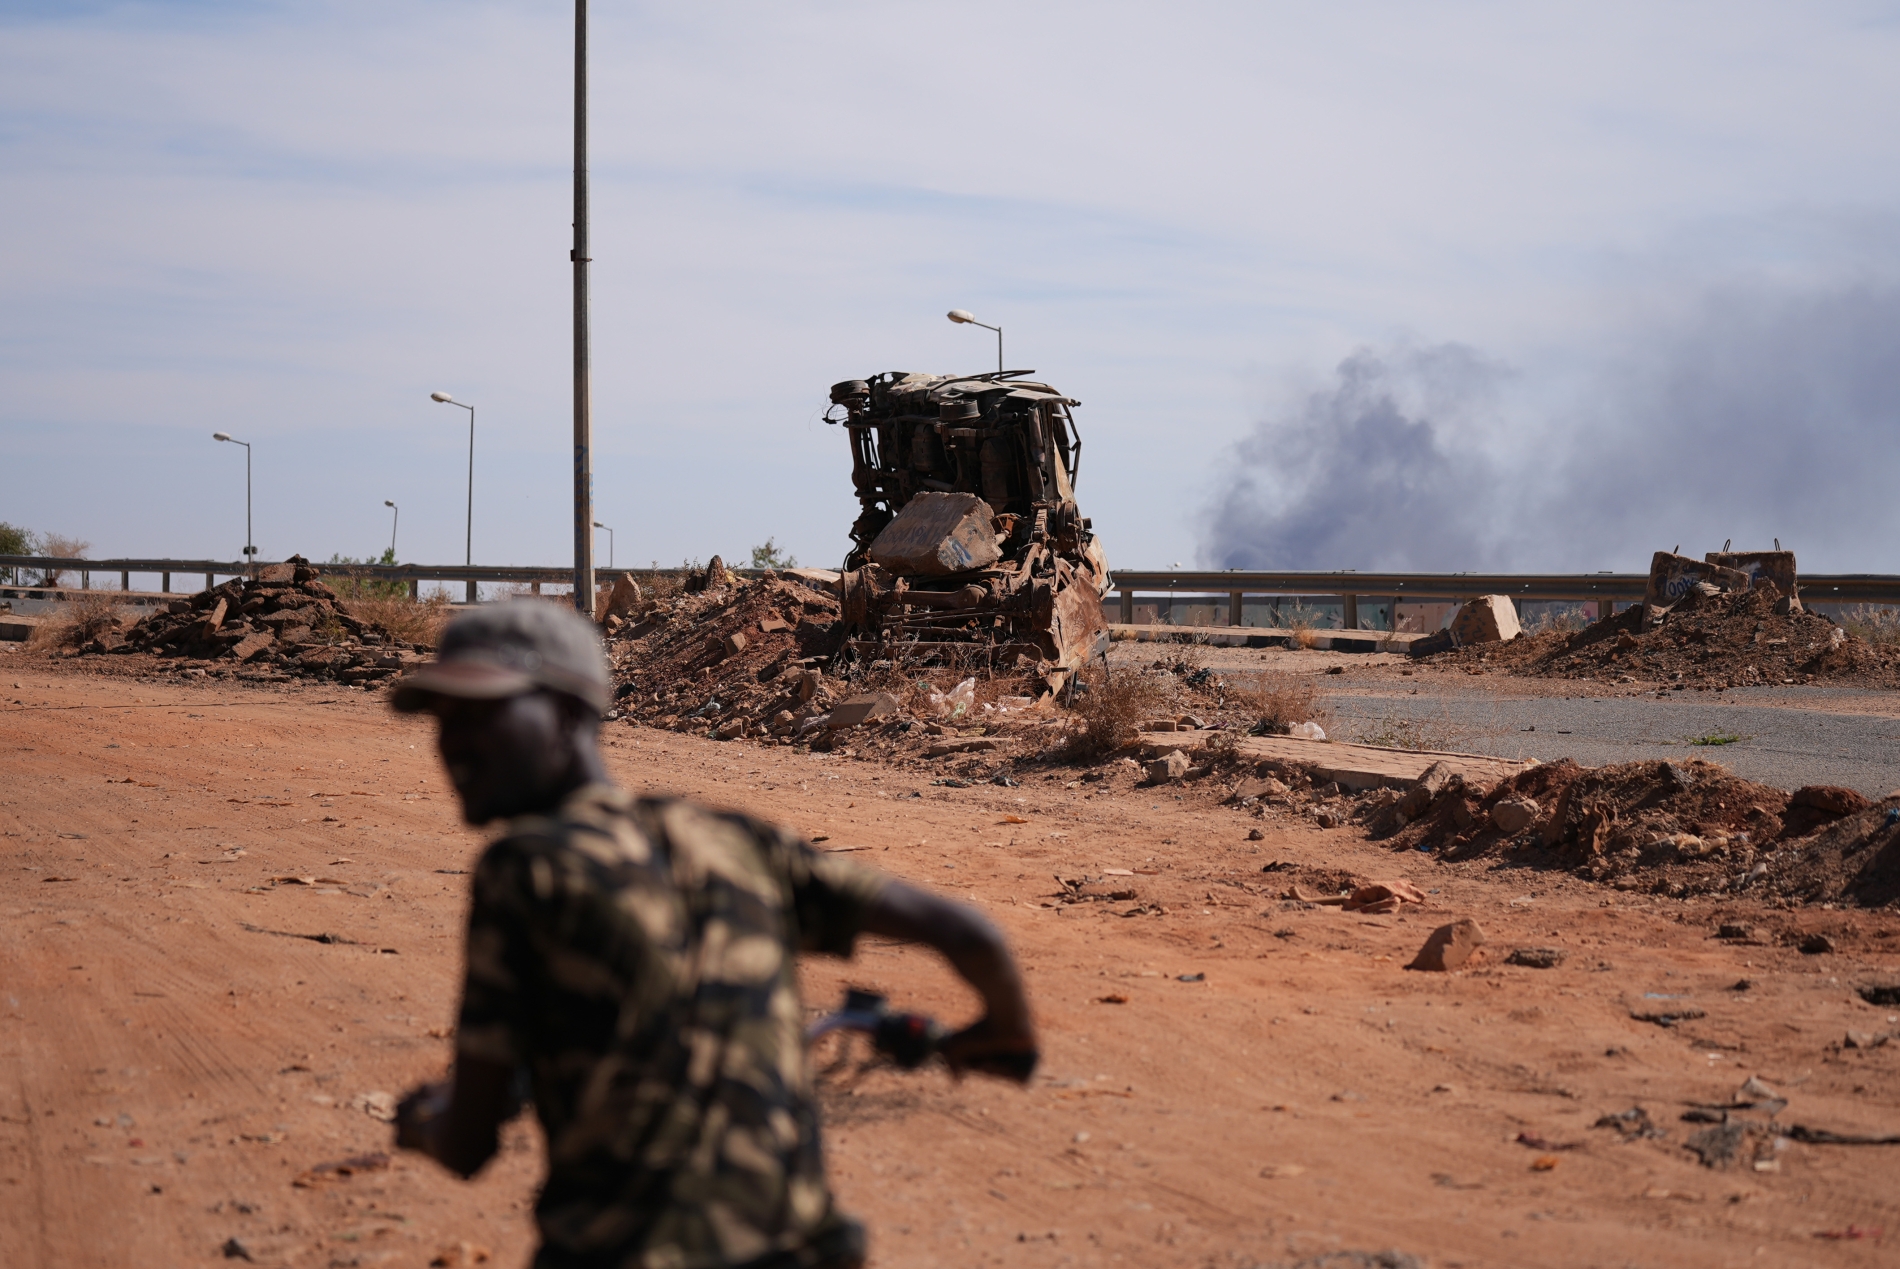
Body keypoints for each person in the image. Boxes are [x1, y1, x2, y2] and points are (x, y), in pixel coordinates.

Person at [388, 602, 1037, 1269]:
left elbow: (468, 1145)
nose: (452, 741)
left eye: (481, 713)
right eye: (443, 718)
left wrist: (422, 1123)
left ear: (568, 713)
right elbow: (970, 933)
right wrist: (1005, 1034)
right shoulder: (732, 839)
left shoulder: (525, 867)